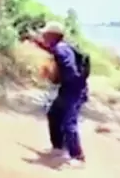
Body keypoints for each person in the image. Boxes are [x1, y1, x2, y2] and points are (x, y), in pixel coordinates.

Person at [27, 21, 88, 166]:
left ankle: (77, 156)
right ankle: (58, 148)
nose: (44, 36)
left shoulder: (61, 49)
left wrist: (55, 76)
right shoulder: (61, 47)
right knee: (54, 114)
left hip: (73, 90)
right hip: (69, 88)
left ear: (53, 35)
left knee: (68, 122)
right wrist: (37, 42)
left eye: (45, 34)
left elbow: (69, 68)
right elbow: (53, 51)